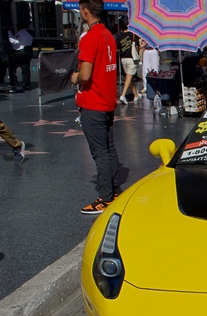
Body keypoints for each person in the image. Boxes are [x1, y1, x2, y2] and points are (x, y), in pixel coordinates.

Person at [72, 0, 121, 215]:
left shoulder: (89, 38)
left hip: (93, 103)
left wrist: (75, 78)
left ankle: (105, 197)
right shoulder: (108, 35)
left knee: (100, 152)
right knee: (109, 149)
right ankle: (115, 190)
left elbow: (85, 75)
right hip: (107, 101)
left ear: (85, 11)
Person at [116, 22, 141, 104]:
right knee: (128, 78)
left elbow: (117, 49)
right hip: (131, 59)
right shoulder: (133, 35)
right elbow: (137, 46)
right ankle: (122, 95)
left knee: (130, 78)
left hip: (123, 59)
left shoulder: (119, 36)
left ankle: (136, 95)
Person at [8, 22, 33, 91]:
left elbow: (13, 41)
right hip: (28, 52)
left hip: (20, 53)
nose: (16, 27)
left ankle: (14, 84)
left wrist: (8, 31)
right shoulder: (28, 34)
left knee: (12, 67)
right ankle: (26, 85)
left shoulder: (20, 33)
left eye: (17, 26)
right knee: (25, 69)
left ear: (20, 26)